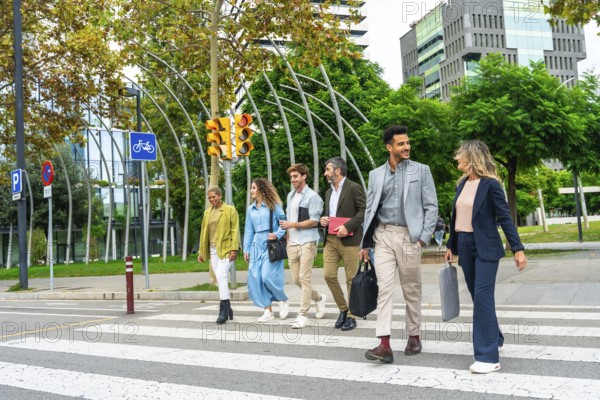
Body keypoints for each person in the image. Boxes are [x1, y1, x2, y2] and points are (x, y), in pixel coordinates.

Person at [444, 140, 527, 374]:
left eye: (460, 155)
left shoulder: (491, 185)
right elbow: (456, 218)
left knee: (482, 297)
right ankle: (496, 336)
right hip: (465, 244)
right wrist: (452, 245)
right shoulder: (461, 185)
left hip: (487, 247)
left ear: (472, 157)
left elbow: (505, 218)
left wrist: (517, 248)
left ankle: (488, 356)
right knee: (477, 296)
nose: (456, 159)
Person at [359, 125, 438, 364]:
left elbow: (431, 207)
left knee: (411, 289)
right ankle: (384, 344)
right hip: (382, 236)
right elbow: (371, 209)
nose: (407, 147)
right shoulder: (375, 175)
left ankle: (414, 334)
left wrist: (423, 239)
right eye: (401, 144)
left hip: (408, 237)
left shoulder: (421, 171)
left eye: (407, 142)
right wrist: (365, 242)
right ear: (389, 147)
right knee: (384, 289)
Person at [319, 157, 366, 332]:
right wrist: (322, 220)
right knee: (328, 275)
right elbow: (329, 213)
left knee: (351, 278)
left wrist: (348, 226)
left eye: (328, 169)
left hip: (350, 239)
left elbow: (363, 210)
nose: (325, 173)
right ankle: (343, 309)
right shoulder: (328, 192)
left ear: (338, 170)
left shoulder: (354, 188)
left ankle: (352, 315)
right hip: (331, 239)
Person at [279, 163, 327, 329]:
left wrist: (292, 224)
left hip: (308, 241)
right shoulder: (291, 196)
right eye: (291, 177)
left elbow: (314, 221)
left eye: (295, 176)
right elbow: (287, 219)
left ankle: (303, 314)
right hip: (292, 243)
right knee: (296, 279)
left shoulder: (313, 197)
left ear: (304, 176)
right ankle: (319, 298)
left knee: (304, 279)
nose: (293, 179)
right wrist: (287, 239)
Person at [243, 178, 289, 322]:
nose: (251, 190)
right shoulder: (251, 209)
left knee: (267, 276)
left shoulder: (273, 205)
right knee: (256, 278)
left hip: (272, 244)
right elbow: (249, 230)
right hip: (256, 245)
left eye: (254, 188)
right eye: (251, 188)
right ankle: (267, 310)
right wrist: (246, 249)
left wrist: (277, 234)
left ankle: (282, 299)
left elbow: (283, 222)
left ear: (262, 189)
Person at [197, 187, 240, 324]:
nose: (211, 200)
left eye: (214, 197)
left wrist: (234, 248)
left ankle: (223, 311)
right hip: (213, 250)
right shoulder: (207, 212)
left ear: (220, 196)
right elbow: (204, 232)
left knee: (221, 275)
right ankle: (229, 309)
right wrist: (201, 252)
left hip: (227, 248)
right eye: (209, 198)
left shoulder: (229, 210)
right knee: (220, 278)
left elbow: (235, 230)